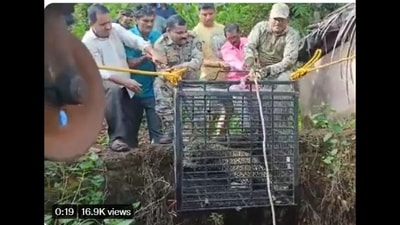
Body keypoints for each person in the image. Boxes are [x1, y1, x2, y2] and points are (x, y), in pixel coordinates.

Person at [81, 3, 167, 152]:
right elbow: (100, 71)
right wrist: (124, 81)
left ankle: (130, 147)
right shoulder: (87, 42)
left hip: (126, 82)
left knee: (131, 119)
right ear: (91, 24)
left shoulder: (115, 29)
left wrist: (152, 52)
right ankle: (116, 139)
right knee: (114, 91)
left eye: (109, 22)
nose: (108, 27)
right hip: (105, 85)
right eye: (103, 24)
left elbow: (134, 40)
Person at [125, 5, 171, 145]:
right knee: (131, 132)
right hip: (132, 90)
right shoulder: (128, 36)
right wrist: (145, 57)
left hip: (152, 90)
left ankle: (158, 160)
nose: (149, 24)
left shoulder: (156, 36)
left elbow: (164, 59)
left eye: (152, 20)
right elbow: (128, 63)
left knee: (157, 131)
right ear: (136, 20)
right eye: (145, 21)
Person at [153, 15, 203, 141]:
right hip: (170, 82)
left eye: (185, 31)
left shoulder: (193, 38)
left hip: (191, 81)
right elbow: (161, 70)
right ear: (169, 31)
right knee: (159, 84)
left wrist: (181, 67)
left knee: (200, 109)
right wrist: (167, 72)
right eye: (179, 33)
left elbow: (198, 60)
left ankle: (199, 135)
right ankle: (172, 130)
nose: (184, 35)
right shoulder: (160, 44)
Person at [244, 3, 300, 92]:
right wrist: (250, 62)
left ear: (287, 20)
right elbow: (249, 46)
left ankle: (282, 105)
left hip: (283, 71)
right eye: (275, 19)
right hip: (260, 68)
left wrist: (267, 71)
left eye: (281, 20)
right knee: (247, 87)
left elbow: (289, 61)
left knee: (283, 83)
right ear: (269, 18)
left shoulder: (292, 34)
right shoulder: (260, 28)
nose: (278, 22)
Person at [220, 23, 251, 132]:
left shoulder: (248, 42)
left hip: (253, 79)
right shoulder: (225, 48)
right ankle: (247, 127)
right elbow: (234, 62)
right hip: (236, 81)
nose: (232, 40)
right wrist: (248, 67)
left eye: (235, 37)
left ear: (240, 33)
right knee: (236, 93)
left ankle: (261, 129)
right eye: (229, 38)